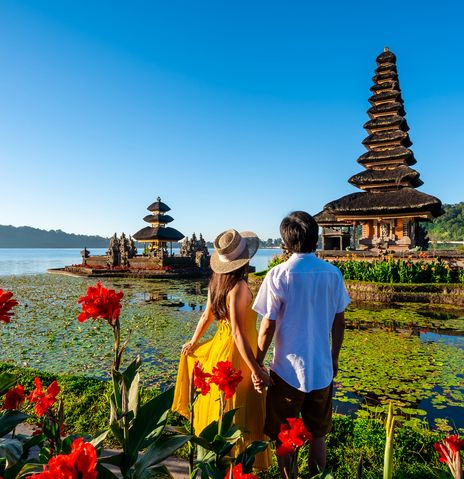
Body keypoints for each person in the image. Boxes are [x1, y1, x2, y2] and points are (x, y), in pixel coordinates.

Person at [252, 211, 350, 478]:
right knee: (318, 435)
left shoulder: (278, 275)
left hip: (286, 371)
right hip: (321, 369)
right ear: (315, 238)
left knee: (286, 436)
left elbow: (267, 326)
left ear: (286, 242)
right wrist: (334, 357)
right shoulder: (332, 274)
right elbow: (338, 323)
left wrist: (258, 364)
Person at [172, 229, 272, 470]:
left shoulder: (216, 283)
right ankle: (237, 464)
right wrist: (256, 368)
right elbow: (238, 331)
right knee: (240, 408)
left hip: (219, 347)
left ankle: (220, 461)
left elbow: (206, 315)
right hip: (237, 353)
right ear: (244, 261)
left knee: (223, 406)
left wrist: (194, 342)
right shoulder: (238, 287)